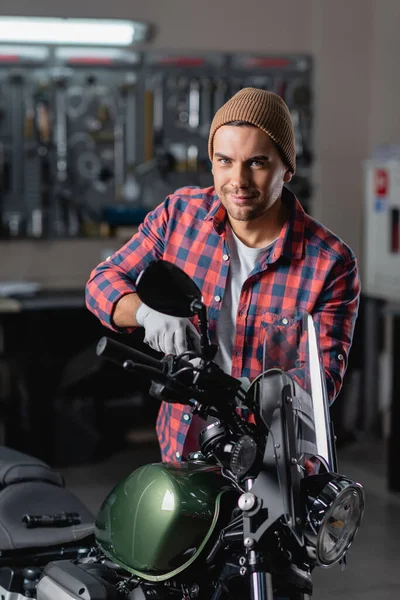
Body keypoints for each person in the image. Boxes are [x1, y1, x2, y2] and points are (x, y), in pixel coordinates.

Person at [85, 87, 360, 464]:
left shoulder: (330, 263)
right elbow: (103, 281)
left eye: (257, 163)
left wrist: (244, 393)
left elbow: (322, 377)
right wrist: (146, 314)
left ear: (288, 169)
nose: (238, 180)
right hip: (183, 453)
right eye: (225, 161)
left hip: (274, 465)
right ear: (212, 163)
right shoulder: (178, 216)